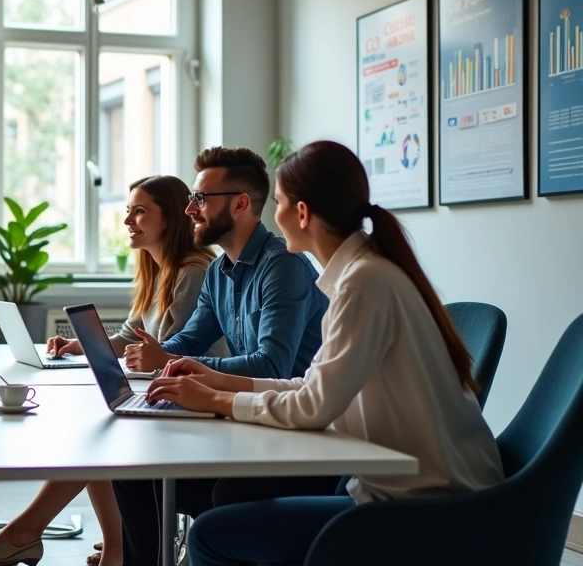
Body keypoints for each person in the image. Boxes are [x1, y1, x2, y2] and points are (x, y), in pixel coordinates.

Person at [147, 140, 503, 566]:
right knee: (230, 500)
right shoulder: (362, 275)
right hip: (400, 486)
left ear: (301, 213)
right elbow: (311, 387)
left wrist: (217, 400)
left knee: (211, 534)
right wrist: (215, 381)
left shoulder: (363, 284)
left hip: (429, 503)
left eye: (277, 203)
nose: (273, 216)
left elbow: (313, 406)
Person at [0, 176, 226, 566]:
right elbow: (129, 336)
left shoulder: (193, 273)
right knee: (98, 431)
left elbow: (174, 351)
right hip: (165, 397)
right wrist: (80, 346)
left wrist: (135, 356)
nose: (129, 221)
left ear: (170, 219)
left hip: (193, 408)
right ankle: (108, 545)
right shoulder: (158, 271)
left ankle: (30, 532)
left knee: (98, 435)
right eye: (128, 211)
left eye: (140, 211)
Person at [110, 147, 333, 566]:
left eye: (200, 200)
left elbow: (272, 366)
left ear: (240, 204)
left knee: (215, 491)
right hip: (249, 419)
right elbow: (190, 340)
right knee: (132, 472)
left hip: (298, 431)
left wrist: (183, 367)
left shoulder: (282, 266)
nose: (190, 210)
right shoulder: (219, 271)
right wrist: (157, 355)